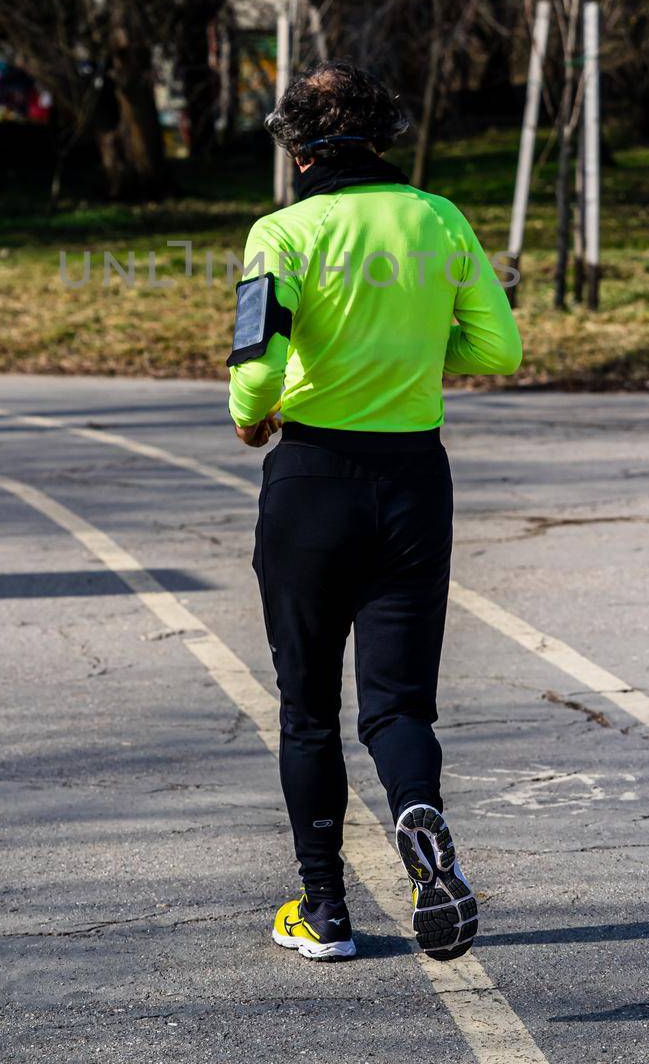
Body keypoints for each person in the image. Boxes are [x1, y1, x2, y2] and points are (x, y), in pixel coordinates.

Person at [227, 59, 523, 962]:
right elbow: (499, 350)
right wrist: (410, 362)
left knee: (306, 707)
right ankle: (419, 821)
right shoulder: (439, 218)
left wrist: (251, 418)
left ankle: (324, 911)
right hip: (413, 482)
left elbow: (255, 366)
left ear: (295, 143)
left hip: (313, 478)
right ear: (384, 131)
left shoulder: (281, 231)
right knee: (398, 703)